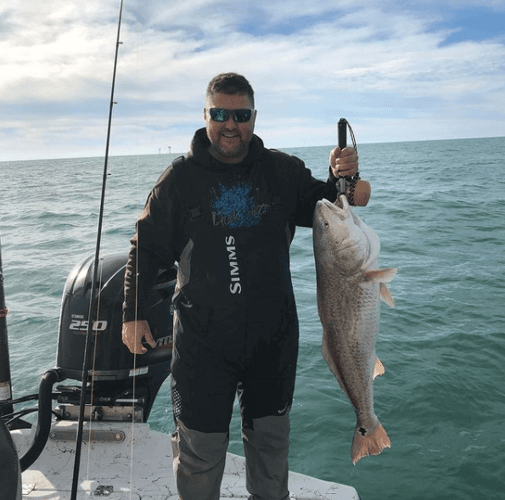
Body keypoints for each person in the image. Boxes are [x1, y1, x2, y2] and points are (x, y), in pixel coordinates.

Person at [122, 72, 360, 500]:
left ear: (253, 116)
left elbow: (330, 205)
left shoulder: (282, 171)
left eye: (241, 114)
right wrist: (133, 312)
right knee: (200, 452)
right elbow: (146, 248)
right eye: (220, 113)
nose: (230, 124)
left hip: (272, 337)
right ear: (206, 115)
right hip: (202, 342)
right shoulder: (178, 181)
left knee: (270, 447)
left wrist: (347, 179)